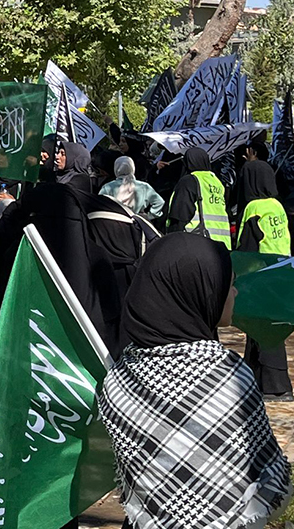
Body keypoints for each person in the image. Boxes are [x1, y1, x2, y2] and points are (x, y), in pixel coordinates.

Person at [98, 233, 291, 529]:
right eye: (227, 284)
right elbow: (268, 483)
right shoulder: (228, 375)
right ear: (198, 293)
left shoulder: (118, 380)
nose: (235, 292)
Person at [233, 159, 293, 401]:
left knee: (265, 330)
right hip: (281, 270)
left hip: (262, 275)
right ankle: (254, 378)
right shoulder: (277, 206)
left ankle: (277, 386)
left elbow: (248, 246)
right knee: (262, 327)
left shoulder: (254, 207)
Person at [166, 147, 231, 248]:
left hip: (197, 242)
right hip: (222, 243)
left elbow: (180, 214)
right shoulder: (216, 182)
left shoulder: (189, 181)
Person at [98, 156, 164, 220]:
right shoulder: (144, 187)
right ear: (132, 168)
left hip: (115, 222)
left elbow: (98, 205)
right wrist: (148, 216)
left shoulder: (108, 187)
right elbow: (159, 202)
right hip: (136, 223)